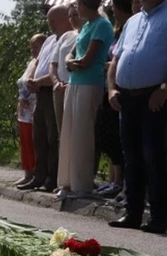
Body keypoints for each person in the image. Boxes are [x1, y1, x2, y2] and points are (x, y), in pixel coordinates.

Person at [107, 0, 167, 233]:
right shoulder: (133, 21)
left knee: (154, 156)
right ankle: (132, 214)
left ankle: (160, 217)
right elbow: (116, 59)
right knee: (131, 158)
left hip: (154, 97)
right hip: (127, 98)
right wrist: (111, 88)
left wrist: (164, 89)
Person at [57, 0, 115, 200]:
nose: (78, 9)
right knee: (69, 132)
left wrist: (74, 63)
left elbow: (87, 60)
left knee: (82, 135)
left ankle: (81, 184)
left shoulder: (102, 25)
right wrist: (70, 62)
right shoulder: (87, 25)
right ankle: (66, 182)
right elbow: (71, 54)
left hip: (90, 83)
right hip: (74, 82)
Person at [20, 5, 72, 192]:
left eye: (53, 21)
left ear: (65, 19)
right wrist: (31, 79)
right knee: (39, 136)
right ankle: (38, 176)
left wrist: (39, 81)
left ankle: (52, 178)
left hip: (52, 89)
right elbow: (40, 62)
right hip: (40, 92)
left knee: (52, 136)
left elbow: (57, 69)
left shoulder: (68, 38)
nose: (50, 25)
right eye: (49, 21)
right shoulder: (50, 40)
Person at [94, 0, 132, 199]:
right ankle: (115, 180)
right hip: (109, 89)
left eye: (114, 9)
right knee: (107, 135)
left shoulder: (131, 28)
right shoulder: (118, 32)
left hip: (124, 90)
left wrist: (110, 65)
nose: (113, 13)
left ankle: (123, 183)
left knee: (120, 138)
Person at [16, 34, 48, 187]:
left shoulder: (44, 64)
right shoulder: (31, 63)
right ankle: (27, 173)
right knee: (25, 142)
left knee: (34, 141)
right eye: (31, 47)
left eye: (36, 47)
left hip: (35, 107)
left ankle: (37, 173)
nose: (33, 50)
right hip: (24, 110)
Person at [51, 4, 83, 135]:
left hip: (77, 86)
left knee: (76, 130)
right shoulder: (66, 36)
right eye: (70, 16)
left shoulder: (88, 34)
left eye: (76, 15)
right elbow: (53, 64)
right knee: (62, 132)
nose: (73, 19)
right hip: (60, 88)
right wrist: (56, 82)